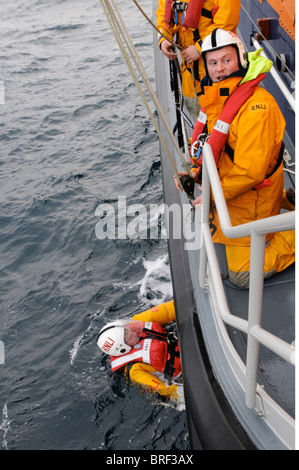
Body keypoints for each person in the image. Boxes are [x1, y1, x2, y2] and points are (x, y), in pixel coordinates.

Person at [176, 28, 295, 288]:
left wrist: (210, 196)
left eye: (226, 60)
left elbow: (250, 172)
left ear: (241, 59)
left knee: (242, 276)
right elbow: (210, 147)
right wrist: (194, 175)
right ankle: (287, 200)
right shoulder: (216, 99)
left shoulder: (256, 109)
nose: (220, 69)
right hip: (233, 197)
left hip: (250, 201)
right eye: (213, 63)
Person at [156, 0, 241, 121]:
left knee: (226, 121)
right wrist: (163, 39)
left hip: (220, 74)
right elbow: (163, 16)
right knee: (198, 118)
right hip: (189, 77)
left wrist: (200, 47)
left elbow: (227, 22)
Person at [97, 300, 184, 401]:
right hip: (182, 367)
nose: (131, 332)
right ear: (123, 349)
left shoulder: (138, 322)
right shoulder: (135, 370)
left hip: (181, 337)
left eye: (125, 330)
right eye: (126, 337)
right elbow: (164, 390)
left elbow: (169, 309)